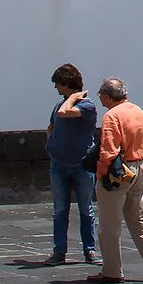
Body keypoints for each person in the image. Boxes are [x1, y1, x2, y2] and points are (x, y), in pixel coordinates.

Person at [91, 77, 143, 284]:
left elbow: (108, 150)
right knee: (139, 218)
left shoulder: (112, 115)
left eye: (101, 94)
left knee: (110, 223)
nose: (99, 98)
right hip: (139, 166)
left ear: (108, 96)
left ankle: (112, 271)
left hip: (119, 170)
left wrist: (101, 175)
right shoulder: (137, 110)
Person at [43, 64, 100, 267]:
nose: (56, 88)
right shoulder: (60, 105)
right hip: (59, 164)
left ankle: (89, 249)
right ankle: (59, 251)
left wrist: (74, 97)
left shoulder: (86, 105)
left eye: (58, 83)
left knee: (86, 209)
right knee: (60, 210)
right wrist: (51, 144)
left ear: (67, 84)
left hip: (81, 165)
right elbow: (52, 124)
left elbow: (65, 113)